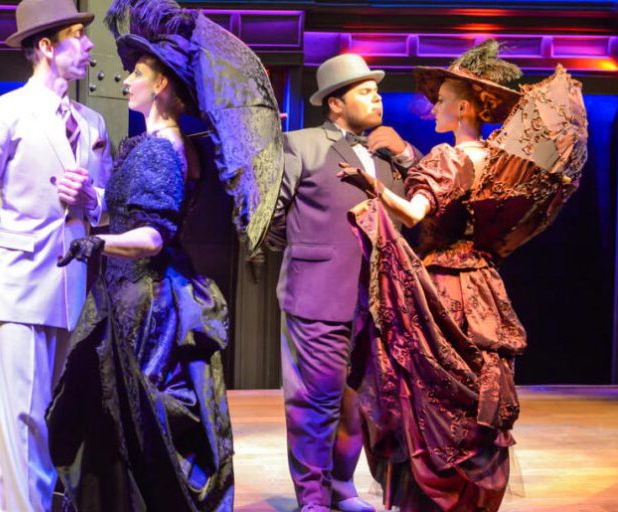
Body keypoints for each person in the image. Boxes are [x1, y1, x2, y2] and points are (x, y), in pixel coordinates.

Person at [338, 40, 533, 511]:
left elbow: (412, 214)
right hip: (483, 286)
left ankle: (432, 493)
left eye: (442, 100)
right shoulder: (500, 161)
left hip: (443, 285)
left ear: (464, 107)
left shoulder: (447, 158)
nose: (434, 108)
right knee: (476, 386)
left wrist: (372, 188)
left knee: (428, 388)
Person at [47, 32, 234, 511]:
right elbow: (130, 214)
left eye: (137, 74)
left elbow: (152, 236)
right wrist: (94, 202)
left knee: (132, 416)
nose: (126, 81)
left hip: (143, 301)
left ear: (161, 84)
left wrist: (96, 243)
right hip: (133, 291)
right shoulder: (159, 145)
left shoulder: (160, 149)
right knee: (117, 413)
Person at [0, 0, 112, 508]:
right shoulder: (4, 113)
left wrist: (90, 200)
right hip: (18, 287)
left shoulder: (92, 123)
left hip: (71, 292)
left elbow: (105, 205)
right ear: (46, 46)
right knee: (23, 422)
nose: (88, 45)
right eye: (77, 35)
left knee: (52, 420)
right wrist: (15, 233)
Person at [265, 53, 422, 512]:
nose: (377, 98)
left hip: (380, 299)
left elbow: (422, 201)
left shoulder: (386, 152)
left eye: (377, 90)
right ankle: (312, 499)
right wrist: (314, 251)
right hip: (319, 293)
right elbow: (273, 219)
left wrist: (405, 154)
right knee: (316, 403)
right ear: (335, 103)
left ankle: (340, 486)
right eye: (365, 91)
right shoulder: (302, 144)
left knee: (360, 403)